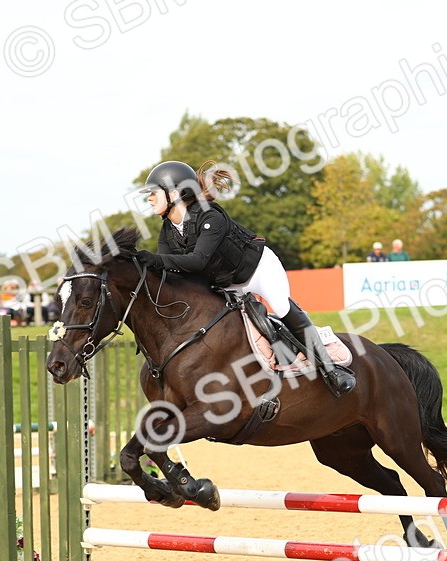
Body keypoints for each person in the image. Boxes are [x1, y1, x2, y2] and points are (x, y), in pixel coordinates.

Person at [133, 159, 355, 398]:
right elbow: (170, 273)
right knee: (234, 326)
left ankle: (330, 368)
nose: (150, 198)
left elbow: (198, 261)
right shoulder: (168, 229)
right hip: (226, 283)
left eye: (154, 193)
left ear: (174, 193)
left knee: (280, 307)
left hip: (258, 270)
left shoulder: (210, 216)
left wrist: (155, 260)